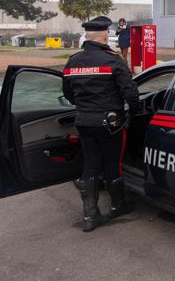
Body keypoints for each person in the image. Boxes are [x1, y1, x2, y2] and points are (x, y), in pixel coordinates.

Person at [62, 16, 139, 232]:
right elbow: (131, 93)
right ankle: (118, 204)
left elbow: (68, 93)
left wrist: (85, 105)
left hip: (84, 121)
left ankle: (89, 215)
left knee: (90, 165)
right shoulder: (113, 60)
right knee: (112, 163)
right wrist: (134, 112)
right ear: (105, 35)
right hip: (109, 123)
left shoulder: (73, 61)